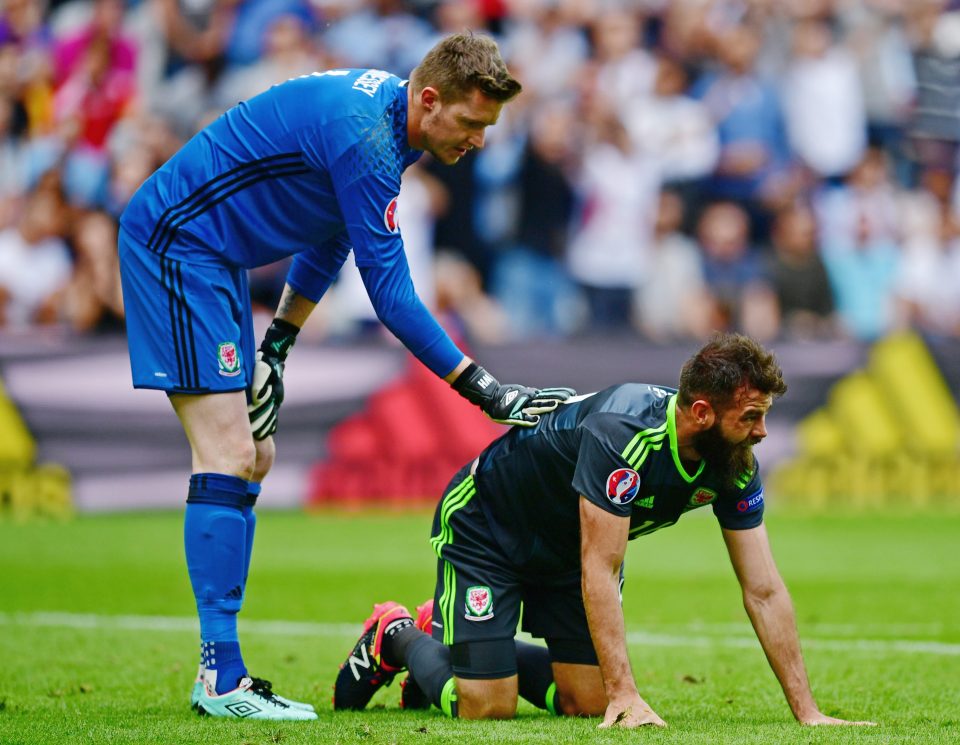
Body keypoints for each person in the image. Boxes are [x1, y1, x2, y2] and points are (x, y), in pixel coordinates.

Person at [117, 32, 573, 721]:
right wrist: (486, 388)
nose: (479, 140)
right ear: (430, 99)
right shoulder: (366, 136)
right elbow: (392, 296)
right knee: (230, 454)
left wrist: (279, 343)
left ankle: (223, 671)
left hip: (215, 261)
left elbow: (329, 233)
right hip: (179, 245)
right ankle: (219, 677)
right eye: (474, 123)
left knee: (256, 454)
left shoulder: (387, 128)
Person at [333, 333, 877, 729]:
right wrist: (628, 695)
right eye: (752, 416)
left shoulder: (733, 462)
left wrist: (808, 713)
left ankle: (465, 640)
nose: (762, 432)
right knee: (486, 708)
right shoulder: (625, 431)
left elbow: (763, 588)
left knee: (585, 702)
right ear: (703, 413)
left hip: (569, 547)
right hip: (489, 528)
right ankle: (399, 634)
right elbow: (601, 565)